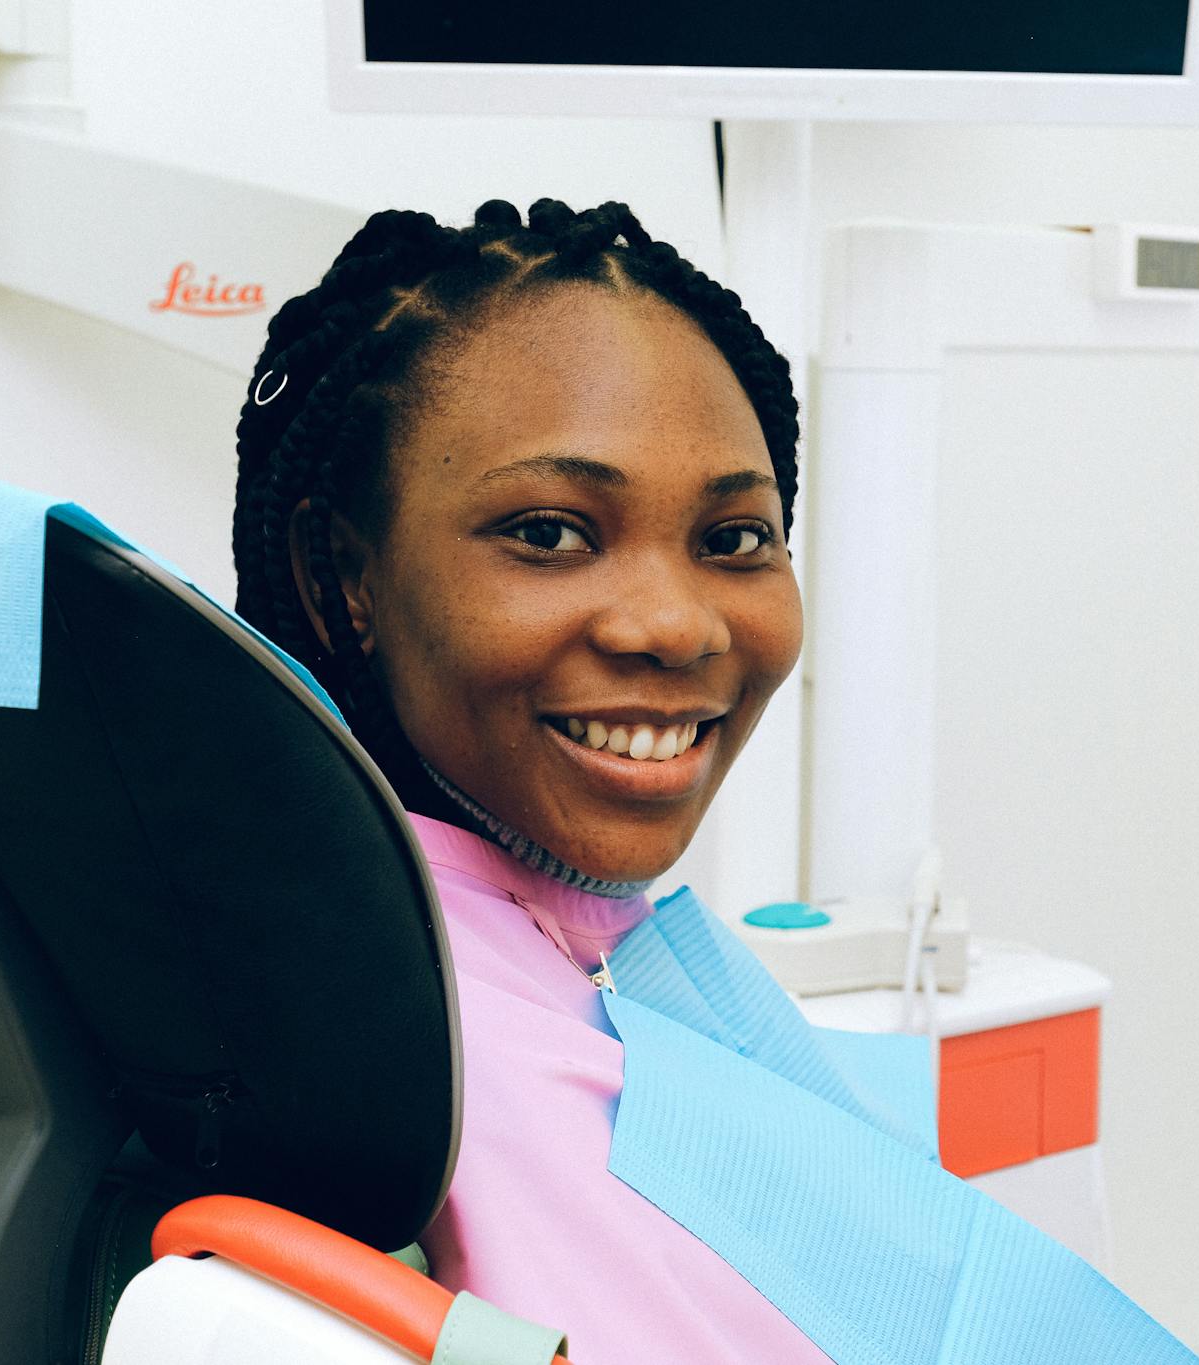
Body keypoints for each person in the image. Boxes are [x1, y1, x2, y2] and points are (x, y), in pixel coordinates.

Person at [230, 197, 823, 1360]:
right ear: (341, 574)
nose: (672, 625)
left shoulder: (562, 947)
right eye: (550, 533)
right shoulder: (424, 1068)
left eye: (734, 539)